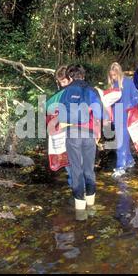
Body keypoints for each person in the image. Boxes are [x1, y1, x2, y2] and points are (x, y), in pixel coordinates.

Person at [58, 64, 103, 218]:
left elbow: (61, 115)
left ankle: (80, 212)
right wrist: (98, 132)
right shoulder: (92, 90)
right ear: (83, 75)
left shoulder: (65, 92)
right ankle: (91, 206)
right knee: (89, 169)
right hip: (89, 134)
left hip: (72, 135)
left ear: (70, 77)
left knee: (76, 170)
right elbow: (99, 113)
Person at [108, 62, 138, 178]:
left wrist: (135, 108)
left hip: (126, 114)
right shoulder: (112, 85)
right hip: (117, 114)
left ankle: (120, 167)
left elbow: (135, 96)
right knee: (122, 140)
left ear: (119, 72)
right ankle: (129, 160)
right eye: (111, 75)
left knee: (121, 142)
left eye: (115, 75)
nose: (113, 77)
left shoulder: (127, 81)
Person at [46, 65, 72, 187]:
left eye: (64, 81)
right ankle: (75, 185)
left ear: (70, 78)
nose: (62, 84)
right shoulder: (61, 93)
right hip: (65, 130)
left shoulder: (71, 91)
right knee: (69, 159)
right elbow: (47, 106)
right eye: (60, 82)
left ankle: (76, 186)